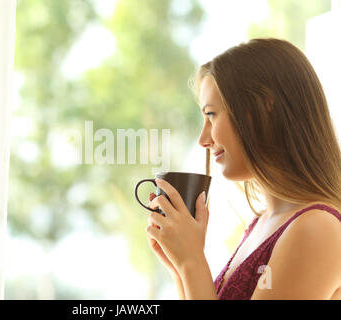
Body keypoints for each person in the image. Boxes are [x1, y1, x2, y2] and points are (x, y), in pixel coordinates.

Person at [145, 38, 341, 300]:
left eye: (211, 115)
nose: (203, 139)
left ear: (262, 109)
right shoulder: (260, 225)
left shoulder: (317, 229)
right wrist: (179, 268)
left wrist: (192, 263)